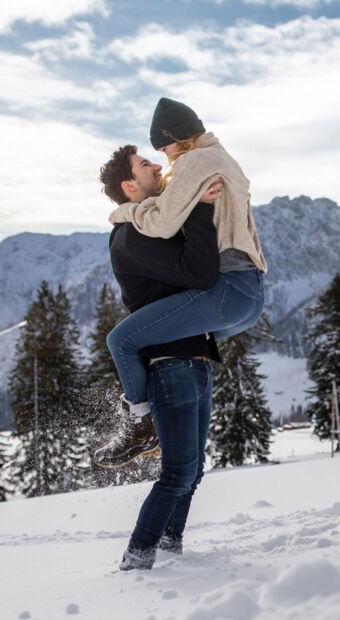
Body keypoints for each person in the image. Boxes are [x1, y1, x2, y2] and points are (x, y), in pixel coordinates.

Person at [94, 97, 268, 467]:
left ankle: (141, 422)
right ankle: (147, 417)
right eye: (149, 159)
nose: (162, 158)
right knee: (157, 340)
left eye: (162, 146)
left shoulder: (193, 163)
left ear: (175, 138)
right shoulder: (219, 156)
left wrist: (123, 212)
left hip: (230, 291)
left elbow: (162, 222)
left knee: (121, 340)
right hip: (249, 294)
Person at [98, 144, 224, 570]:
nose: (156, 164)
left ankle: (171, 549)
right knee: (177, 473)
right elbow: (199, 273)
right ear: (130, 186)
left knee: (194, 470)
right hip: (171, 366)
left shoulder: (153, 225)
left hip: (195, 361)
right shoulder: (132, 235)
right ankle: (137, 558)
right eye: (145, 164)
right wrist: (203, 212)